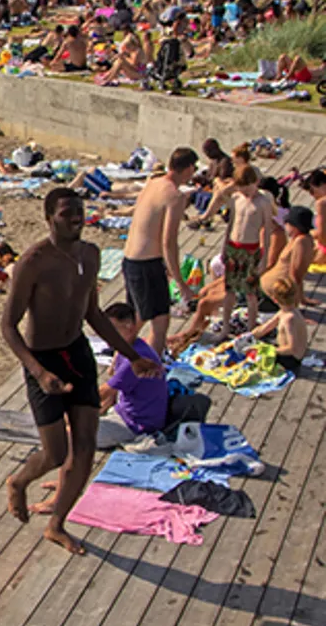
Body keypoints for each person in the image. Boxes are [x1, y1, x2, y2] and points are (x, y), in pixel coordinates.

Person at [1, 187, 161, 555]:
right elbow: (8, 326)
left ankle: (56, 524)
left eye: (79, 210)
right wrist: (39, 373)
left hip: (77, 353)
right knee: (55, 453)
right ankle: (19, 481)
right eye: (66, 212)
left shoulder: (91, 254)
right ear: (49, 219)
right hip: (43, 359)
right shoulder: (34, 262)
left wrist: (131, 356)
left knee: (86, 446)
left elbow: (93, 313)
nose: (76, 217)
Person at [121, 147, 198, 355]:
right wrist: (180, 282)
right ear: (189, 168)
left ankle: (117, 363)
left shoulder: (153, 183)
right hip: (147, 264)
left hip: (130, 260)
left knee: (139, 317)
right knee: (159, 322)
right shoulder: (175, 196)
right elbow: (168, 242)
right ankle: (152, 369)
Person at [98, 303, 210, 434]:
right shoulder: (130, 347)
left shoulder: (136, 359)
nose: (106, 335)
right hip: (126, 411)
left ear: (129, 327)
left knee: (80, 434)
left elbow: (104, 392)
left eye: (112, 330)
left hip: (138, 424)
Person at [219, 164, 274, 340]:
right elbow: (231, 224)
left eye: (247, 187)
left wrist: (264, 258)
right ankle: (225, 326)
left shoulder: (263, 202)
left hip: (251, 249)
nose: (244, 191)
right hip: (233, 247)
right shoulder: (236, 198)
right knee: (229, 290)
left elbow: (267, 231)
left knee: (251, 293)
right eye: (241, 187)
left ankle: (251, 330)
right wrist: (224, 247)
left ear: (255, 182)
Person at [252, 276, 308, 375]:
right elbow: (266, 328)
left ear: (274, 300)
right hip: (283, 350)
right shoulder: (284, 312)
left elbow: (292, 348)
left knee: (254, 358)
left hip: (290, 359)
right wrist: (249, 336)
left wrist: (270, 350)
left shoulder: (289, 319)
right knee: (254, 346)